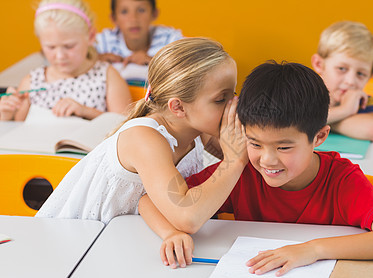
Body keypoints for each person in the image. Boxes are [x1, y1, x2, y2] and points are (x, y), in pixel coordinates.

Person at [140, 61, 373, 274]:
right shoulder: (241, 172)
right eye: (255, 143)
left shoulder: (341, 180)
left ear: (319, 137)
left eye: (284, 147)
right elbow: (149, 201)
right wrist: (172, 233)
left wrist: (313, 250)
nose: (267, 160)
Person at [36, 38, 248, 244]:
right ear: (179, 107)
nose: (233, 106)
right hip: (76, 244)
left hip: (134, 241)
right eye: (221, 99)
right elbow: (188, 217)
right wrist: (233, 161)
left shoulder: (199, 129)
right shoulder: (145, 139)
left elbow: (255, 159)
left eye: (235, 94)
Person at [0, 0, 131, 121]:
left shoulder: (107, 76)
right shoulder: (32, 82)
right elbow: (19, 128)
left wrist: (86, 111)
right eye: (50, 47)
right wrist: (7, 114)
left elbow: (124, 125)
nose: (60, 56)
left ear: (90, 36)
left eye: (69, 46)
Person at [311, 21, 373, 141]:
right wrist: (344, 110)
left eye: (361, 74)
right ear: (319, 64)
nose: (350, 81)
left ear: (370, 77)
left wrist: (312, 123)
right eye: (342, 69)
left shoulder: (363, 102)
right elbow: (283, 121)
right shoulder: (302, 94)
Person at [96, 0, 183, 66]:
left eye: (141, 10)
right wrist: (95, 60)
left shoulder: (169, 39)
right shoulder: (103, 42)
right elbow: (83, 58)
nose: (133, 19)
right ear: (114, 18)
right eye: (124, 12)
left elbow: (192, 63)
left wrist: (153, 62)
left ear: (154, 13)